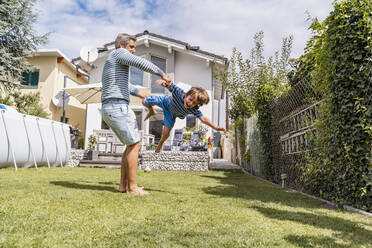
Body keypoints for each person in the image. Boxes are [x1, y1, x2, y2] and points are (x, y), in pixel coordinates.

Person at [101, 34, 171, 195]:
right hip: (116, 105)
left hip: (113, 105)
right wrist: (162, 73)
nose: (133, 51)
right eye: (131, 47)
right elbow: (140, 62)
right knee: (135, 145)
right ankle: (132, 188)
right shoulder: (119, 53)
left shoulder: (114, 62)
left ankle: (123, 186)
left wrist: (142, 95)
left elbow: (127, 85)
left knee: (130, 145)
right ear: (121, 44)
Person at [142, 79, 226, 153]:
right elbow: (170, 86)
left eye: (194, 103)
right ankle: (151, 110)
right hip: (165, 101)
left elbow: (203, 119)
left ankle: (160, 144)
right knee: (144, 102)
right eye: (190, 100)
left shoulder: (193, 109)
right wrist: (163, 83)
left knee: (166, 132)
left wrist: (215, 127)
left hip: (171, 115)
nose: (191, 103)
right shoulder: (179, 93)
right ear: (186, 95)